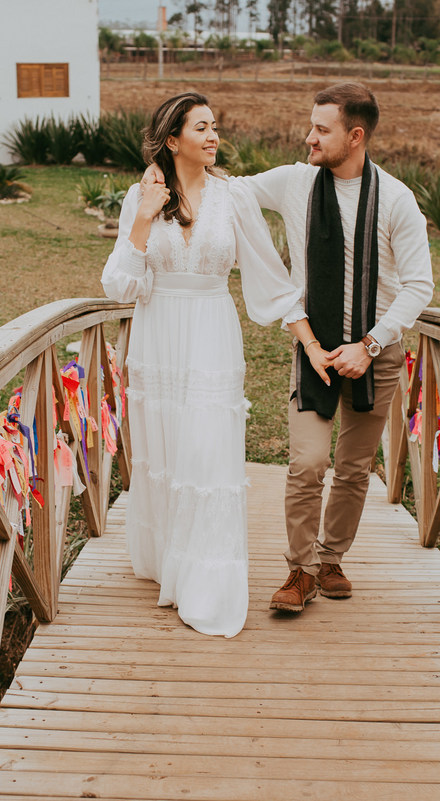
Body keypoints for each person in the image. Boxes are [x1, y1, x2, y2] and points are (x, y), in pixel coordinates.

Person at [145, 82, 434, 613]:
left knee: (354, 468)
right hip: (314, 351)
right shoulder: (296, 183)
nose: (309, 138)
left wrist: (369, 345)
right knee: (307, 463)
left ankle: (331, 559)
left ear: (355, 136)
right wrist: (160, 171)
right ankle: (300, 571)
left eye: (321, 130)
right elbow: (224, 188)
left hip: (377, 354)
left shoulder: (396, 200)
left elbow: (419, 286)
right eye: (311, 126)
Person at [101, 92, 326, 638]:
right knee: (166, 449)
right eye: (200, 127)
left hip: (210, 336)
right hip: (157, 338)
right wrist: (144, 218)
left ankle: (207, 584)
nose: (213, 136)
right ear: (172, 139)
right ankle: (166, 561)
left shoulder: (232, 196)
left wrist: (311, 343)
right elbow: (120, 286)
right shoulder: (141, 196)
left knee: (207, 455)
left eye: (215, 126)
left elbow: (271, 278)